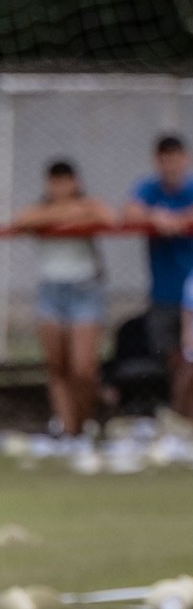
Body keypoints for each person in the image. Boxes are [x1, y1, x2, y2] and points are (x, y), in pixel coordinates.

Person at [13, 158, 113, 438]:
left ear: (75, 183)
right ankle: (67, 429)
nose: (60, 188)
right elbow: (22, 220)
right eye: (54, 183)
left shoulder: (89, 203)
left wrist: (64, 216)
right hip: (51, 291)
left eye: (65, 182)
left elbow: (106, 216)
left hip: (84, 290)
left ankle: (84, 421)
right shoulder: (40, 208)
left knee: (83, 368)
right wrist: (65, 216)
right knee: (57, 366)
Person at [124, 134, 193, 418]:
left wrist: (179, 221)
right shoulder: (148, 189)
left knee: (189, 361)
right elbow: (129, 212)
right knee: (175, 360)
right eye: (164, 159)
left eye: (175, 159)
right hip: (164, 293)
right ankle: (182, 417)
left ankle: (181, 416)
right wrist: (155, 218)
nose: (170, 165)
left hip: (191, 295)